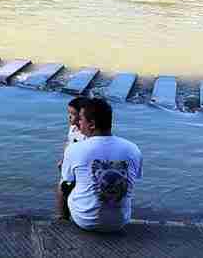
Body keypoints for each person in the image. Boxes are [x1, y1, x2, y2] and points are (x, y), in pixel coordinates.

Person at [57, 98, 143, 232]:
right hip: (120, 222)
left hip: (85, 220)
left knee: (64, 183)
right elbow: (133, 179)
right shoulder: (133, 149)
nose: (78, 123)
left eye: (81, 119)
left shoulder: (75, 149)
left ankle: (63, 220)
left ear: (91, 124)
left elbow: (67, 182)